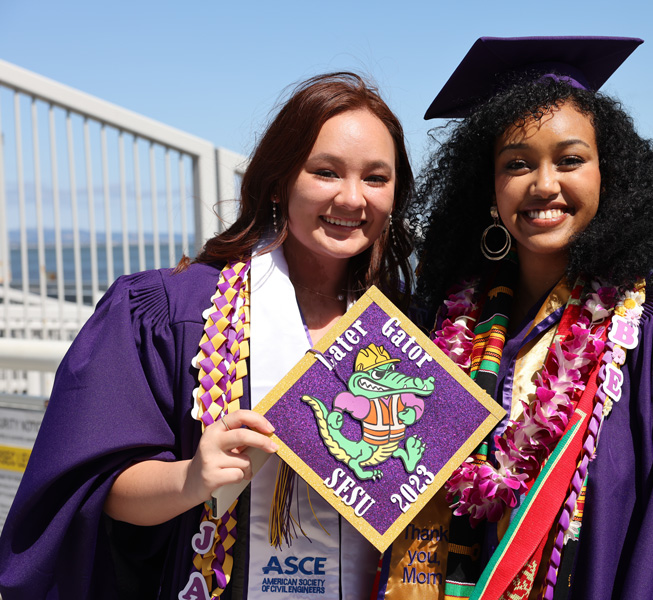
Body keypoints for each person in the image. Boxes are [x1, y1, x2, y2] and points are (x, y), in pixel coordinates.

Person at [374, 37, 653, 599]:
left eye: (570, 160)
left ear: (607, 174)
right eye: (516, 164)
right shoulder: (438, 328)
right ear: (489, 190)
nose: (544, 184)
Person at [0, 72, 414, 600]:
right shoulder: (175, 310)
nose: (352, 198)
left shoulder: (411, 326)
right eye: (326, 172)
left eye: (375, 178)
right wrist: (191, 479)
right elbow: (98, 486)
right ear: (280, 178)